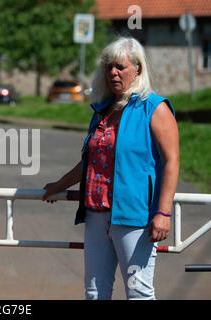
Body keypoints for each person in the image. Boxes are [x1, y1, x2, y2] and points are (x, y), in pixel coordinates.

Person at [42, 37, 179, 300]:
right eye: (108, 67)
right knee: (95, 292)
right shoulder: (103, 110)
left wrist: (163, 212)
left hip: (134, 216)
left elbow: (172, 160)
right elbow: (91, 160)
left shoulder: (155, 108)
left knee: (138, 291)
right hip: (96, 215)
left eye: (120, 67)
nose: (113, 73)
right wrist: (59, 185)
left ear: (137, 69)